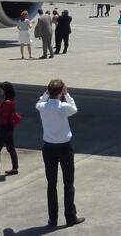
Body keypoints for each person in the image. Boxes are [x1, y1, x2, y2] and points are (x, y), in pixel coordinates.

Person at [36, 79, 85, 227]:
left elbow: (39, 102)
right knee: (68, 183)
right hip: (64, 147)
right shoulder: (63, 107)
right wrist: (67, 94)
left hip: (48, 147)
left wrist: (46, 94)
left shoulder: (42, 107)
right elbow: (74, 108)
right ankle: (70, 217)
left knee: (51, 184)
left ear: (49, 91)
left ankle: (53, 219)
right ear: (61, 92)